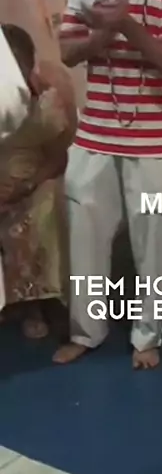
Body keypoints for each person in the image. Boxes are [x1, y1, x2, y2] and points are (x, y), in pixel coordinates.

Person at [53, 0, 162, 369]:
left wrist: (126, 24)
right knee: (85, 240)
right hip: (95, 133)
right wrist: (105, 31)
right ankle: (85, 332)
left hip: (155, 139)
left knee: (154, 246)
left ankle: (147, 337)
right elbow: (68, 51)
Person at [0, 24, 76, 338]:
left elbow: (60, 158)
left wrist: (27, 186)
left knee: (44, 206)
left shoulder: (49, 97)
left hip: (33, 181)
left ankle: (38, 303)